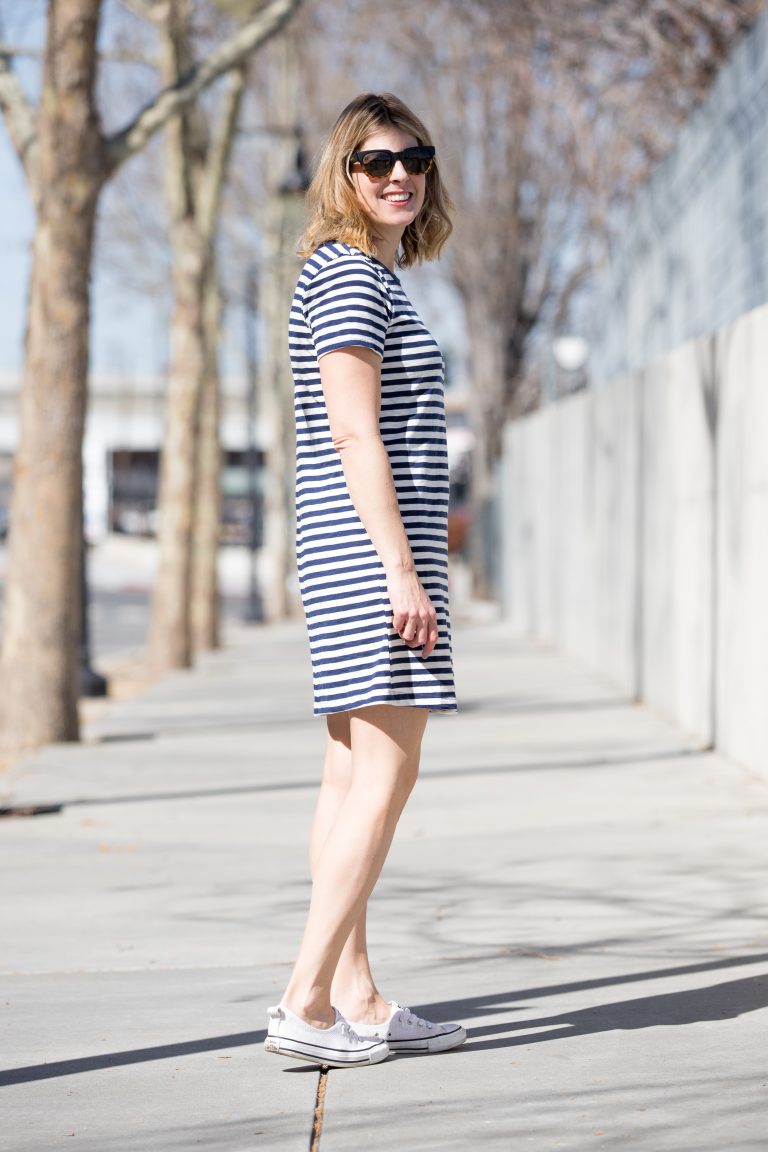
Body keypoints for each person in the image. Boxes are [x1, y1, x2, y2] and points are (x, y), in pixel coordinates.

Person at [265, 92, 465, 1068]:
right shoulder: (349, 281)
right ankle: (305, 1001)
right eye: (375, 161)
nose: (399, 174)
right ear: (342, 175)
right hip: (370, 556)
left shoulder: (360, 279)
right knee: (384, 776)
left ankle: (358, 997)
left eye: (414, 158)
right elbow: (352, 431)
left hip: (358, 553)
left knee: (349, 776)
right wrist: (402, 570)